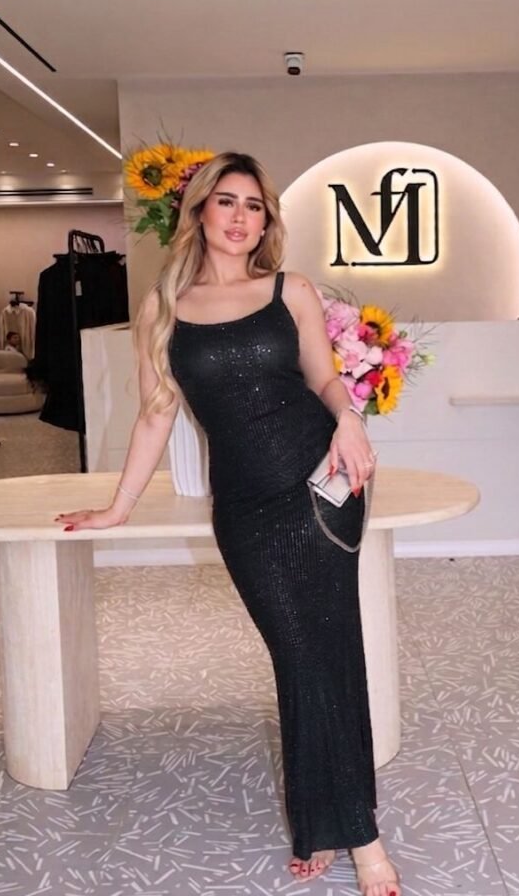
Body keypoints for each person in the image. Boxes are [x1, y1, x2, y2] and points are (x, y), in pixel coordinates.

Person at [56, 152, 401, 896]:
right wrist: (118, 507)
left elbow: (323, 377)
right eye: (227, 202)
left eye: (254, 205)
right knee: (299, 654)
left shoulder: (289, 290)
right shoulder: (163, 308)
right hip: (245, 505)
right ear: (201, 211)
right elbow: (155, 415)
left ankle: (354, 834)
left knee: (327, 650)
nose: (241, 217)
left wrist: (349, 421)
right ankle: (327, 815)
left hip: (322, 482)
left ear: (265, 220)